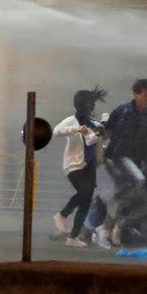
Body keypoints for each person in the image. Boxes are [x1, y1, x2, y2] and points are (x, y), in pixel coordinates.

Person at [96, 78, 147, 246]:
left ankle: (113, 225)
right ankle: (110, 225)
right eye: (145, 96)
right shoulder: (122, 111)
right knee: (138, 181)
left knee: (138, 196)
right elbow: (106, 131)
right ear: (136, 94)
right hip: (117, 158)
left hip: (137, 161)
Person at [52, 87, 107, 248]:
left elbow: (91, 141)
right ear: (82, 104)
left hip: (89, 166)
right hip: (73, 165)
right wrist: (76, 129)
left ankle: (73, 237)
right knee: (84, 192)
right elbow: (56, 131)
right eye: (91, 103)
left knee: (86, 200)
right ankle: (61, 215)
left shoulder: (94, 124)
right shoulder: (71, 121)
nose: (93, 107)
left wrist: (100, 132)